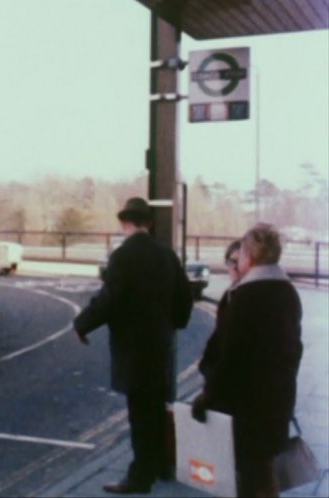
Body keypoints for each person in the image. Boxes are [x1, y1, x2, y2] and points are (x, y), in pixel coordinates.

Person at [73, 197, 193, 495]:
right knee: (155, 405)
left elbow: (109, 299)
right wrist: (174, 324)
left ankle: (140, 477)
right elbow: (185, 298)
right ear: (149, 223)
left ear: (125, 222)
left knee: (140, 412)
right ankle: (158, 466)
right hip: (160, 345)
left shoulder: (123, 256)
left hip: (132, 347)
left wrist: (82, 324)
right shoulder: (167, 255)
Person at [191, 223, 303, 497]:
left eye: (239, 253)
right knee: (263, 471)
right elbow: (294, 349)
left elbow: (230, 357)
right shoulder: (288, 293)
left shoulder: (244, 298)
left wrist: (207, 395)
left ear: (250, 257)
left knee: (248, 476)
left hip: (246, 406)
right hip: (277, 399)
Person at [196, 239, 242, 391]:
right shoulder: (230, 294)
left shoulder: (243, 298)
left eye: (238, 261)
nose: (234, 267)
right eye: (231, 262)